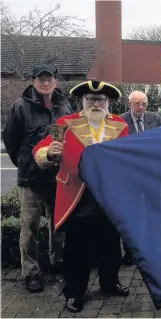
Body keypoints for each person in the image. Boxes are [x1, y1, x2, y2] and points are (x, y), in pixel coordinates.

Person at [32, 80, 130, 313]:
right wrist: (49, 153)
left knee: (110, 245)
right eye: (90, 99)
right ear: (82, 102)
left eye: (100, 100)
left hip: (108, 197)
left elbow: (129, 154)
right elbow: (40, 151)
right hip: (78, 196)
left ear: (108, 103)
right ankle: (75, 292)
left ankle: (109, 282)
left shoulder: (120, 124)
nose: (96, 103)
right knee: (78, 251)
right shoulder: (66, 124)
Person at [2, 64, 73, 292]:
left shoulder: (64, 104)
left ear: (55, 81)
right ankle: (31, 272)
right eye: (40, 79)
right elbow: (11, 142)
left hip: (58, 176)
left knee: (58, 223)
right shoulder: (20, 107)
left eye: (49, 79)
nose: (45, 83)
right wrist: (26, 165)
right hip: (31, 179)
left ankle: (57, 261)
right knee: (29, 227)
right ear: (33, 81)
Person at [119, 90, 161, 265]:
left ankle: (152, 248)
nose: (141, 107)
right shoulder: (120, 121)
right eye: (137, 104)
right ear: (129, 104)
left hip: (152, 174)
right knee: (132, 215)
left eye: (144, 103)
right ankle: (131, 251)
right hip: (129, 176)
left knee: (154, 213)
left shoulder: (156, 119)